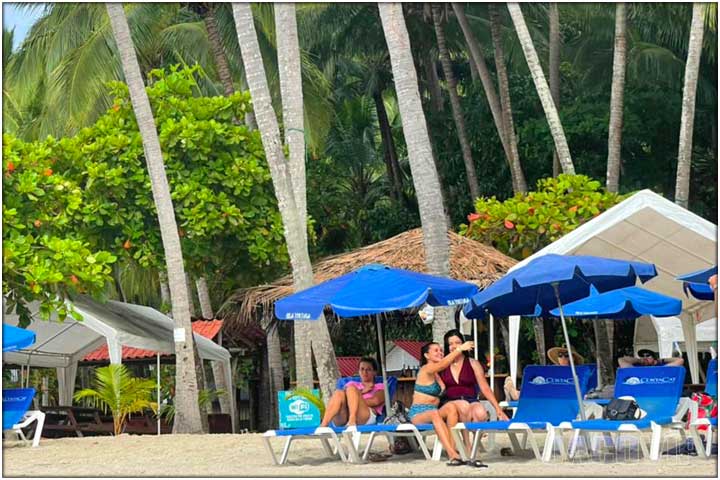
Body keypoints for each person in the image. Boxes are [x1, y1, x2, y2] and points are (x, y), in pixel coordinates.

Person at [408, 340, 486, 467]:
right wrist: (459, 349)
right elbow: (443, 364)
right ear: (426, 355)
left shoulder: (438, 373)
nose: (440, 352)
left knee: (451, 407)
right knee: (435, 414)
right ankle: (452, 454)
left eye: (441, 350)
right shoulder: (426, 369)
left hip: (433, 410)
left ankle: (457, 448)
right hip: (419, 413)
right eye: (436, 350)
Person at [320, 357, 385, 427]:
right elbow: (342, 398)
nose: (364, 372)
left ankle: (352, 420)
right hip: (344, 415)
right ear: (359, 371)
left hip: (365, 416)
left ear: (374, 372)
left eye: (368, 369)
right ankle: (324, 425)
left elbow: (375, 401)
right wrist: (362, 392)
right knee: (338, 393)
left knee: (351, 389)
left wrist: (355, 398)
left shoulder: (380, 386)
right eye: (362, 369)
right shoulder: (352, 383)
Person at [503, 346, 584, 401]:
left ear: (572, 358)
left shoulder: (577, 372)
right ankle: (515, 392)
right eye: (560, 355)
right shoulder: (553, 370)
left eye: (566, 355)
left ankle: (514, 392)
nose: (563, 358)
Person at [618, 349, 684, 368]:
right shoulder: (637, 367)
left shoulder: (662, 367)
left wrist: (661, 360)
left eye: (648, 355)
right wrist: (638, 360)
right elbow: (621, 360)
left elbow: (680, 360)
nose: (645, 358)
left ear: (654, 358)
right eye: (642, 356)